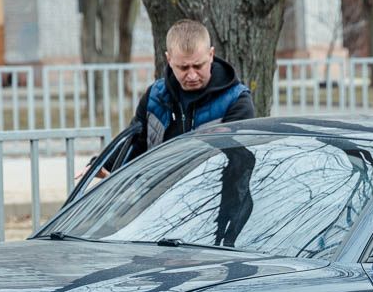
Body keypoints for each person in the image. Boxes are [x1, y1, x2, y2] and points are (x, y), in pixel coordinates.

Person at [87, 19, 255, 178]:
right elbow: (135, 145)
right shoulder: (155, 96)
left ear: (211, 55)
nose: (191, 75)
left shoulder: (237, 100)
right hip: (162, 201)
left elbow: (238, 163)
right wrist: (101, 166)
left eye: (198, 66)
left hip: (216, 200)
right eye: (183, 67)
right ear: (169, 59)